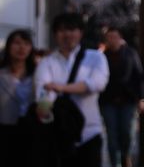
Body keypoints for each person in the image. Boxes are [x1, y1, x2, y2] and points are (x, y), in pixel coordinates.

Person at [34, 12, 109, 167]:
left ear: (80, 33)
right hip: (58, 135)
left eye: (72, 29)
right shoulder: (47, 62)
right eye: (61, 30)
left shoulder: (96, 57)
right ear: (55, 34)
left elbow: (97, 84)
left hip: (90, 133)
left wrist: (59, 87)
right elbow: (43, 95)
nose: (67, 34)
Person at [99, 26, 144, 167]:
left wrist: (141, 98)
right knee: (111, 136)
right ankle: (115, 163)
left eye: (114, 37)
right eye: (109, 38)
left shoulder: (131, 53)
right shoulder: (101, 56)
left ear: (120, 38)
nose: (112, 40)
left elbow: (138, 76)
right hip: (108, 101)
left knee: (127, 132)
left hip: (128, 100)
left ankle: (126, 156)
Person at [0, 29, 36, 167]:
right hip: (4, 130)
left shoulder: (38, 74)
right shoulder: (2, 74)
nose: (22, 48)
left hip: (30, 131)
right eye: (17, 43)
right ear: (8, 46)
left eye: (26, 44)